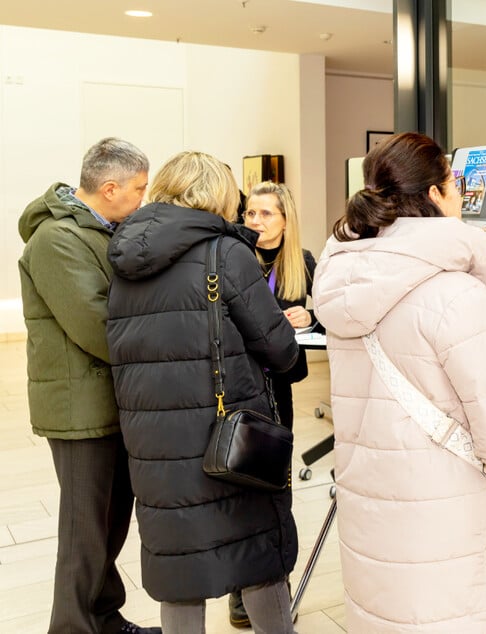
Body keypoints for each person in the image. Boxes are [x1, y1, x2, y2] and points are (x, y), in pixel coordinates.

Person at [313, 132, 486, 632]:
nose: (461, 195)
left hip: (369, 514)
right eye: (454, 183)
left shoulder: (345, 286)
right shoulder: (457, 295)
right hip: (444, 529)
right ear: (436, 195)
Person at [104, 151, 299, 633]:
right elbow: (277, 346)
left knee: (180, 565)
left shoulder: (125, 257)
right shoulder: (226, 252)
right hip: (224, 434)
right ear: (215, 195)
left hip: (153, 442)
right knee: (258, 558)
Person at [17, 137, 157, 634]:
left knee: (110, 524)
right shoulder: (57, 239)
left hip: (107, 400)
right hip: (79, 409)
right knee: (84, 533)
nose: (143, 198)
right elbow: (97, 324)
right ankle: (72, 627)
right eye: (139, 189)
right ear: (112, 187)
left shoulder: (99, 230)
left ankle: (103, 617)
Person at [228, 180, 317, 628]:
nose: (256, 222)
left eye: (266, 214)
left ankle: (271, 586)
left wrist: (308, 316)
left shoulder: (300, 262)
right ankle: (241, 594)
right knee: (239, 485)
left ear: (286, 221)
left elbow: (320, 316)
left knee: (276, 487)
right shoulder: (234, 255)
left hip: (278, 389)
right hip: (239, 385)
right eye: (251, 214)